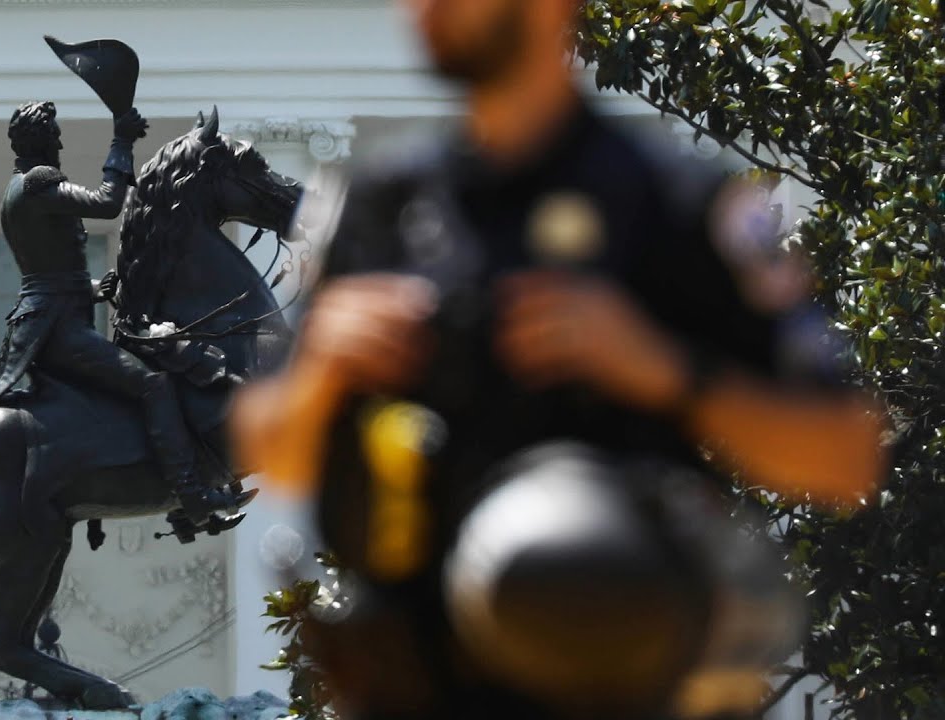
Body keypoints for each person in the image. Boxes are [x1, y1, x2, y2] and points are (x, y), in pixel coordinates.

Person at [230, 0, 889, 717]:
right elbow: (272, 456)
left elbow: (845, 460)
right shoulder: (382, 209)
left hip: (627, 681)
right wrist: (324, 367)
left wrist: (666, 370)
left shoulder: (679, 203)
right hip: (425, 687)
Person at [0, 100, 244, 525]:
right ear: (42, 141)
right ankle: (193, 498)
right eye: (54, 135)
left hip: (52, 317)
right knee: (154, 385)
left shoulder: (18, 189)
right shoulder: (38, 182)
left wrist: (91, 289)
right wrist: (121, 141)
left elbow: (45, 271)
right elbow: (108, 202)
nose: (59, 142)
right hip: (57, 331)